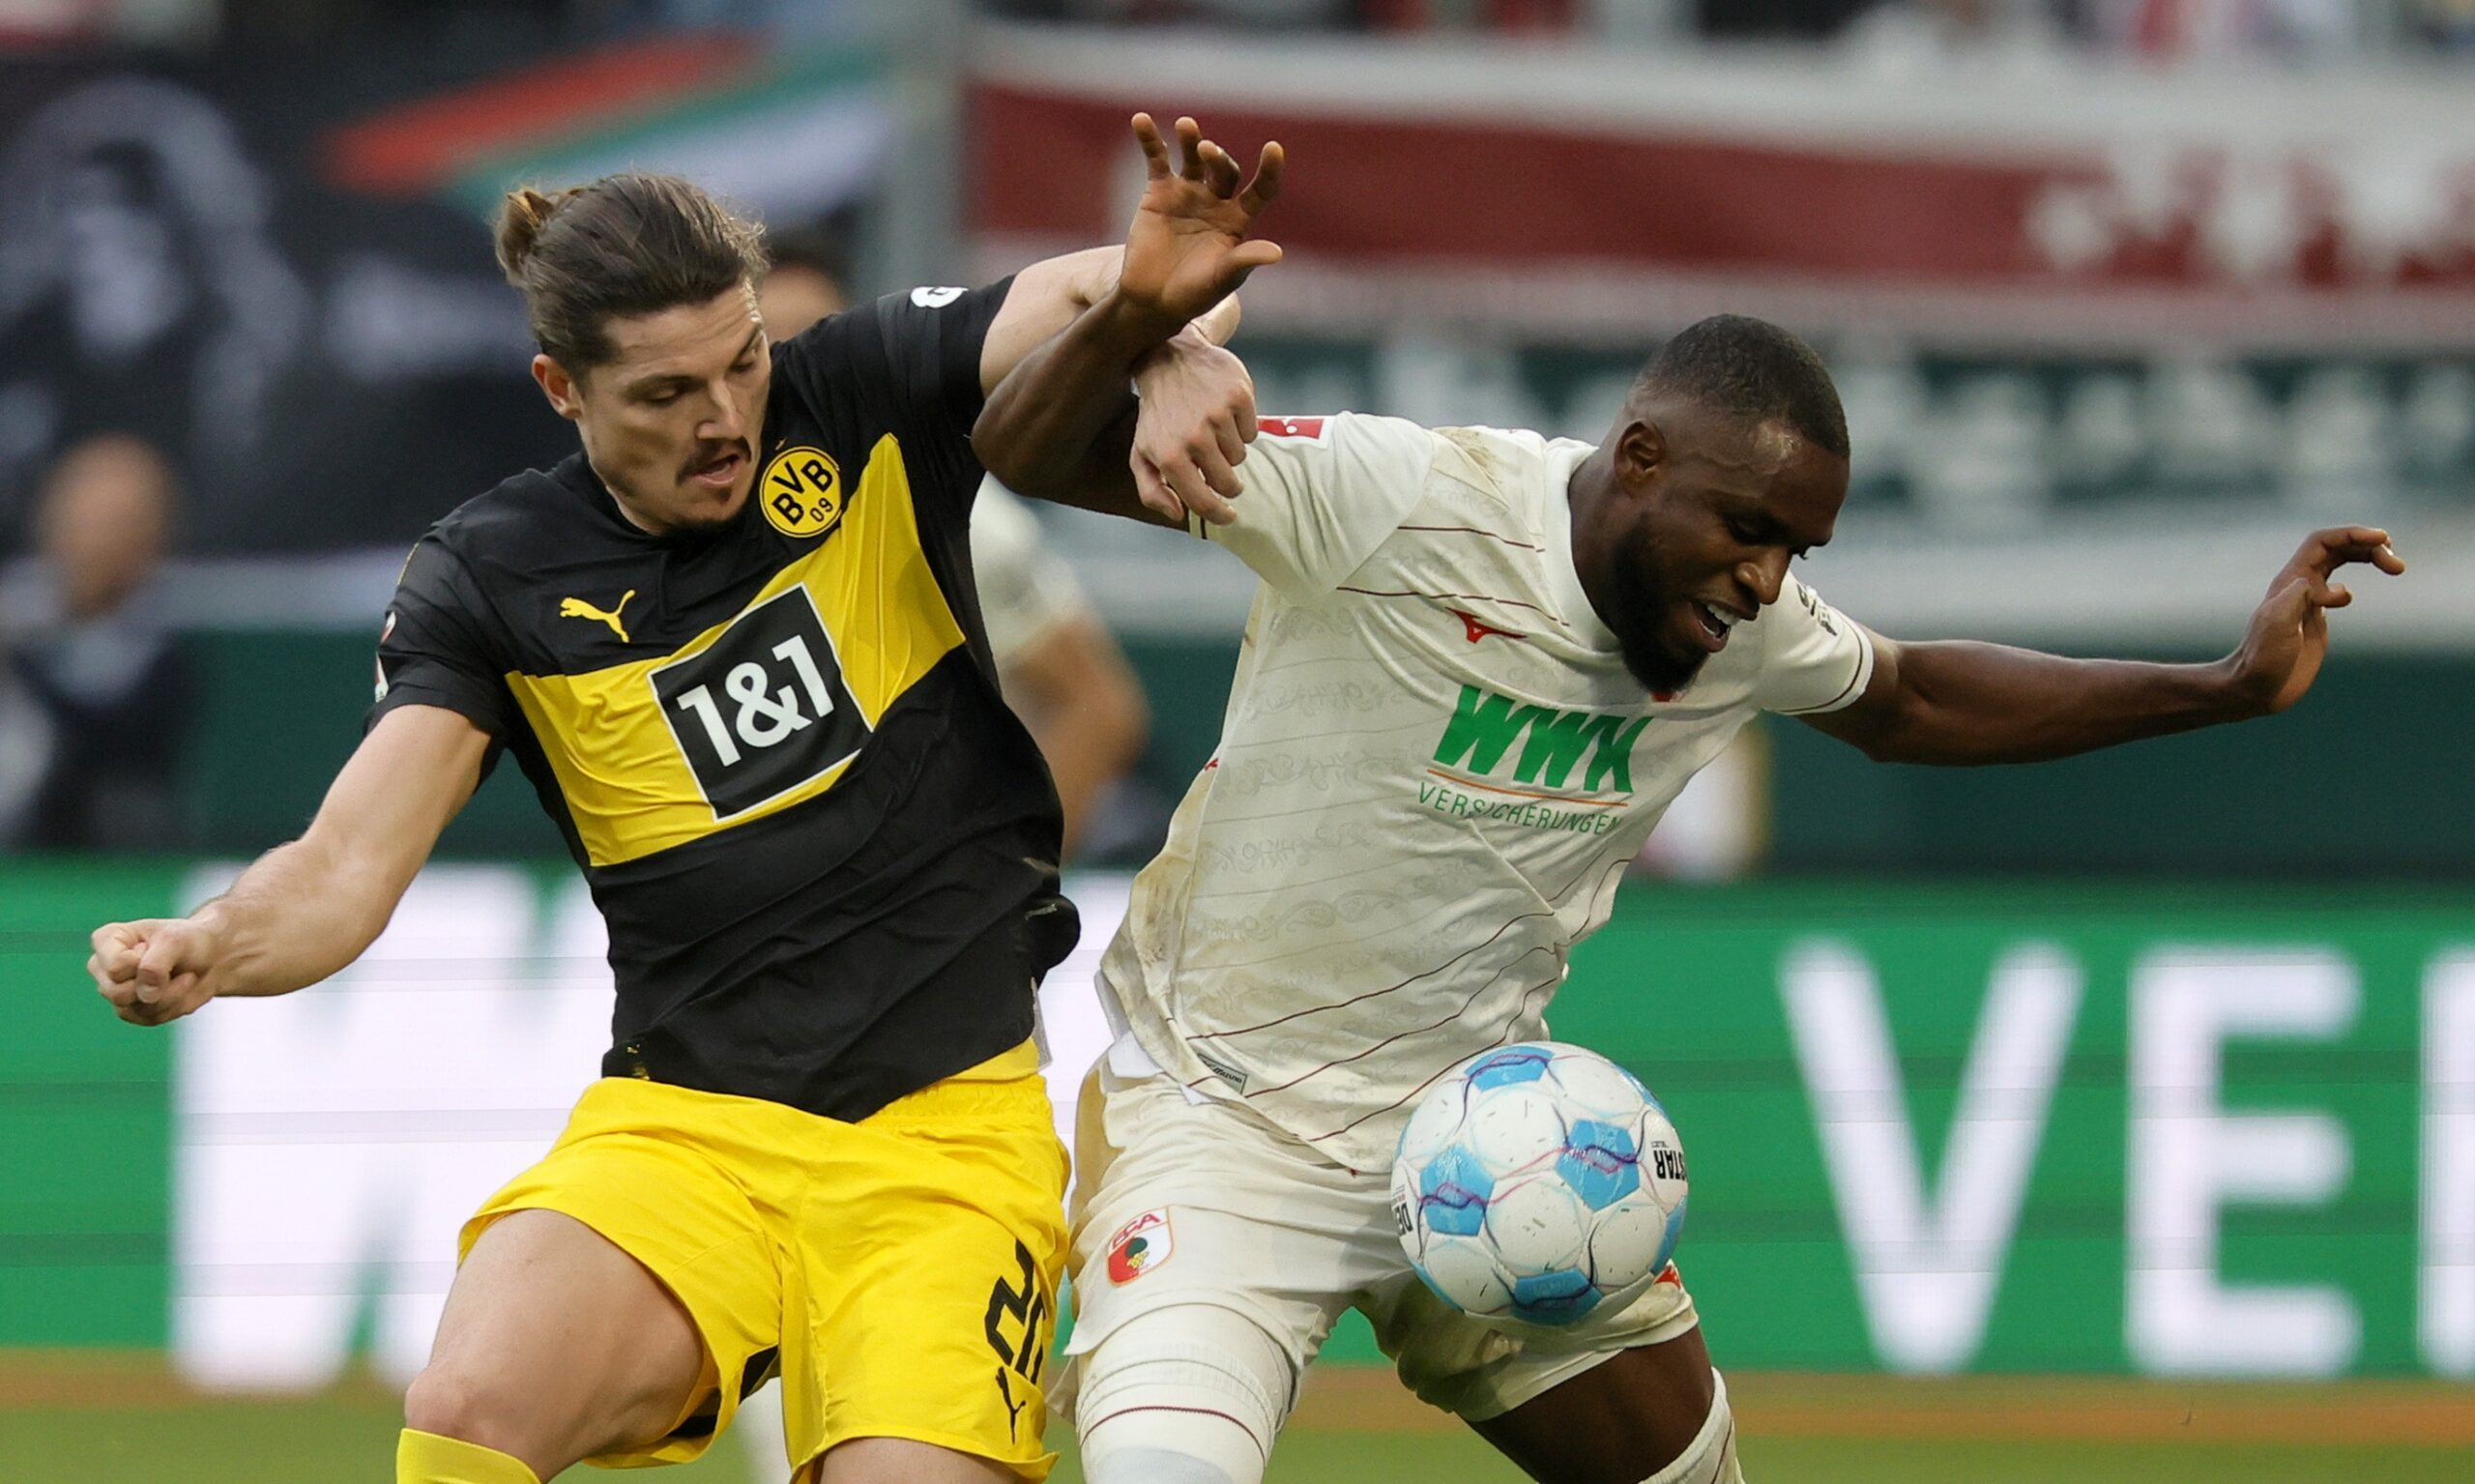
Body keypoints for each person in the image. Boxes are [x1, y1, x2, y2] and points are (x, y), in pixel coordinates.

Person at [972, 310, 2403, 1484]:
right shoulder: (1402, 499)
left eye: (1798, 551)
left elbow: (1906, 692)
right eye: (1750, 528)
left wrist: (2219, 687)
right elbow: (1024, 448)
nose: (1767, 578)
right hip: (1225, 1123)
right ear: (1640, 456)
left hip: (1495, 1135)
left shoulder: (1744, 623)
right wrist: (1147, 328)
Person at [82, 110, 1279, 1484]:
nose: (725, 422)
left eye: (742, 363)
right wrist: (215, 943)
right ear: (560, 389)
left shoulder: (860, 391)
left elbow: (1130, 278)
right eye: (665, 394)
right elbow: (349, 860)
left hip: (949, 1142)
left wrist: (1163, 328)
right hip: (687, 1131)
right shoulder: (490, 579)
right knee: (470, 1399)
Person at [763, 226, 1152, 858]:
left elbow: (1102, 709)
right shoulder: (701, 511)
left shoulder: (961, 517)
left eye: (808, 341)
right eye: (765, 349)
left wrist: (1006, 887)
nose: (787, 377)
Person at [12, 433, 191, 849]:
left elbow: (108, 752)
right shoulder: (22, 613)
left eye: (114, 523)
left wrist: (22, 672)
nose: (90, 541)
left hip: (97, 866)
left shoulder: (167, 653)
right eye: (77, 517)